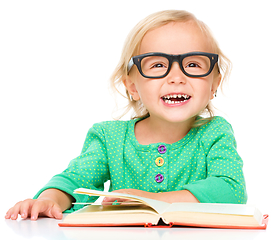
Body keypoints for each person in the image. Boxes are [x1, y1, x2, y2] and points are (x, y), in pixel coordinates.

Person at [5, 10, 247, 221]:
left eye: (193, 64)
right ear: (132, 87)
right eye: (158, 65)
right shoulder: (109, 138)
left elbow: (231, 190)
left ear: (215, 83)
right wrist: (51, 200)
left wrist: (153, 199)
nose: (177, 77)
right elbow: (75, 180)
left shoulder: (215, 133)